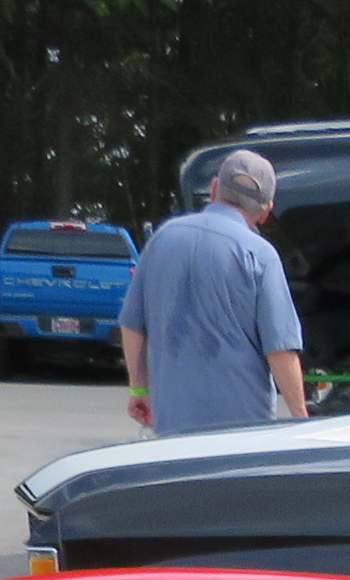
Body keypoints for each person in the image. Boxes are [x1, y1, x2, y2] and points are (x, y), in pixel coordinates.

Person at [118, 150, 308, 437]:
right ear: (266, 210)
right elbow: (280, 349)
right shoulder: (260, 255)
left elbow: (132, 325)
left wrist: (139, 388)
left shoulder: (163, 238)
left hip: (171, 423)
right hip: (240, 429)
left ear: (214, 188)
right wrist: (300, 419)